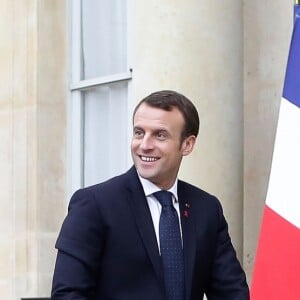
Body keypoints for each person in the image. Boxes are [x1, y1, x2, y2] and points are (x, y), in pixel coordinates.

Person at [51, 90, 249, 300]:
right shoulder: (94, 205)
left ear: (187, 144)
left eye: (160, 135)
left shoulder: (206, 208)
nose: (144, 145)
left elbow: (232, 293)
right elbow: (68, 294)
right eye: (139, 132)